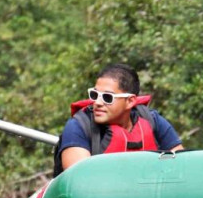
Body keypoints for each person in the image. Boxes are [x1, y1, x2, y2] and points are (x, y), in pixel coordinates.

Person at [54, 64, 184, 174]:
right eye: (94, 95)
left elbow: (181, 167)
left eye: (107, 97)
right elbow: (79, 181)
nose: (97, 103)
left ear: (130, 101)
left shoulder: (153, 121)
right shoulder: (78, 126)